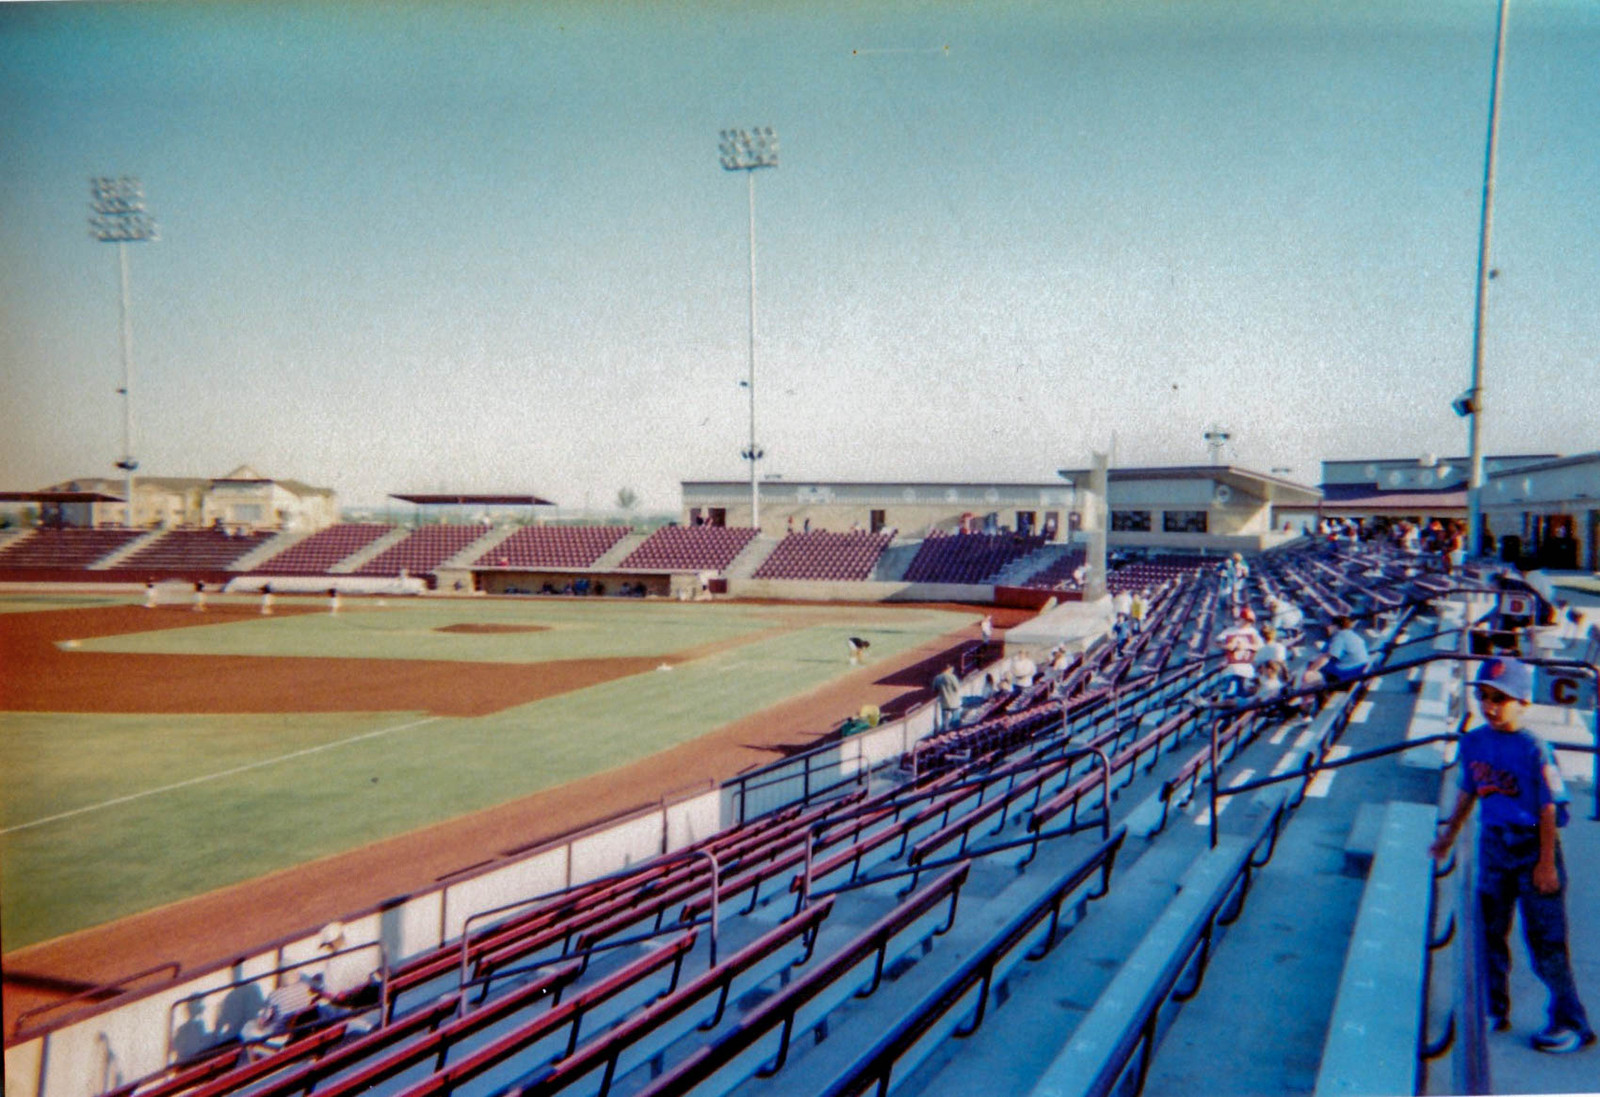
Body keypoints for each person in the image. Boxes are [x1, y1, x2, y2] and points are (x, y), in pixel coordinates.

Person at [1430, 658, 1594, 1053]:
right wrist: (1448, 837)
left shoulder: (1534, 747)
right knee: (1489, 932)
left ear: (1523, 701)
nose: (1489, 706)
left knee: (1546, 942)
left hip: (1533, 845)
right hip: (1494, 844)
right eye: (1484, 696)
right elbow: (1469, 791)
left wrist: (1545, 863)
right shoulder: (1474, 741)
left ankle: (1571, 1021)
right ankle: (1493, 1007)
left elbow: (1548, 809)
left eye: (1500, 699)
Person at [1305, 615, 1369, 687]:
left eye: (1329, 625)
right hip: (1360, 667)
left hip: (1349, 672)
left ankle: (1319, 692)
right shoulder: (1351, 634)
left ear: (1335, 626)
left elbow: (1327, 657)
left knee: (1313, 665)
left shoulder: (1339, 636)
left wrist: (1310, 670)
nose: (1327, 628)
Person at [1213, 608, 1263, 699]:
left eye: (1250, 621)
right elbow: (1217, 642)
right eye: (1246, 620)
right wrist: (1227, 646)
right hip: (1232, 667)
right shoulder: (1230, 630)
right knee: (1230, 693)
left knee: (1244, 693)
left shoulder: (1253, 632)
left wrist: (1246, 646)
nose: (1248, 623)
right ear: (1241, 619)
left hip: (1247, 667)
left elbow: (1260, 647)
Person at [932, 665, 963, 731]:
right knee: (956, 722)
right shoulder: (952, 677)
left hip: (944, 703)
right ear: (949, 669)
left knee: (945, 723)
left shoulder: (937, 678)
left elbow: (934, 690)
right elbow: (957, 688)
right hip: (954, 703)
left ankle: (945, 732)